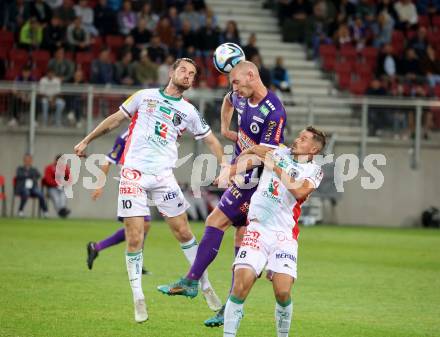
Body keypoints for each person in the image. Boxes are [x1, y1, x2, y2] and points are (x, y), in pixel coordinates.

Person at [74, 58, 225, 323]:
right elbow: (115, 120)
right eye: (183, 70)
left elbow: (211, 139)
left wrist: (224, 165)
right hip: (133, 175)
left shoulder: (189, 111)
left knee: (184, 232)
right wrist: (87, 139)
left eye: (192, 73)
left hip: (164, 178)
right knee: (135, 237)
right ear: (171, 72)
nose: (188, 76)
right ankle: (138, 297)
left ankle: (205, 286)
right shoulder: (144, 96)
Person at [158, 61, 287, 327]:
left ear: (251, 76)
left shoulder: (274, 111)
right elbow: (228, 102)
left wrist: (232, 169)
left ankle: (192, 281)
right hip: (244, 177)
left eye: (237, 82)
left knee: (215, 221)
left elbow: (268, 154)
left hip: (257, 183)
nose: (234, 89)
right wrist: (227, 128)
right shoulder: (241, 97)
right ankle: (229, 307)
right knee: (240, 240)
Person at [222, 127, 325, 337]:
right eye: (298, 136)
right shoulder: (278, 152)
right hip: (258, 229)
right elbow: (253, 150)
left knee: (283, 291)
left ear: (313, 149)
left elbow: (299, 191)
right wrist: (231, 171)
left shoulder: (315, 171)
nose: (297, 140)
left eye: (303, 139)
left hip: (284, 235)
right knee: (241, 285)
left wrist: (276, 167)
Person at [87, 129, 152, 274]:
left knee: (143, 225)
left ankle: (96, 247)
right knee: (138, 226)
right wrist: (99, 185)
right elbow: (108, 160)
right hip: (129, 185)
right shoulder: (126, 136)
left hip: (143, 184)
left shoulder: (150, 131)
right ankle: (136, 264)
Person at [15, 154, 48, 218]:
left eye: (29, 160)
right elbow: (19, 176)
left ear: (31, 161)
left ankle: (45, 211)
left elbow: (38, 175)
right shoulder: (20, 169)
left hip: (33, 188)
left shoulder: (34, 169)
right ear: (24, 161)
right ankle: (20, 210)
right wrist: (29, 175)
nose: (27, 161)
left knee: (41, 194)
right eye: (26, 160)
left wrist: (28, 175)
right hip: (22, 188)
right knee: (26, 193)